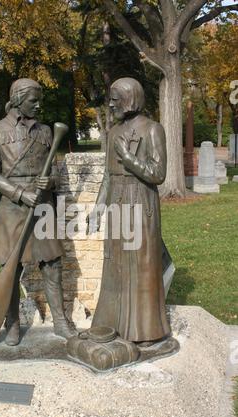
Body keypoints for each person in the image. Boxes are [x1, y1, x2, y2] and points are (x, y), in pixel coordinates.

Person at [0, 78, 76, 346]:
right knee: (11, 269)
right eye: (32, 101)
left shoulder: (46, 131)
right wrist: (21, 194)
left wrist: (52, 182)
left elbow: (57, 171)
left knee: (53, 263)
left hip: (43, 206)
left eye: (39, 101)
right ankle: (12, 323)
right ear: (16, 101)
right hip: (12, 207)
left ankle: (60, 321)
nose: (38, 106)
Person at [89, 77, 170, 344]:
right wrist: (98, 209)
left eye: (114, 99)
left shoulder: (152, 129)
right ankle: (111, 324)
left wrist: (129, 159)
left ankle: (145, 330)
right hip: (116, 203)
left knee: (141, 267)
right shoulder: (113, 133)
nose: (110, 105)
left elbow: (158, 174)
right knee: (116, 267)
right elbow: (108, 177)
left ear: (129, 98)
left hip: (140, 204)